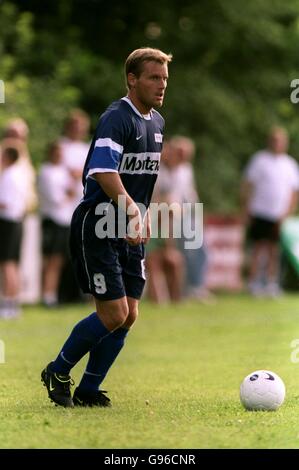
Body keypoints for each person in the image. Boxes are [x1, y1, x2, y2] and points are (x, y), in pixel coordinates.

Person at [41, 47, 172, 408]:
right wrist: (131, 210)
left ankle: (87, 389)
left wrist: (143, 214)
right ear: (132, 79)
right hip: (99, 225)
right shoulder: (117, 117)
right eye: (153, 78)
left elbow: (142, 178)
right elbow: (103, 170)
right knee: (112, 313)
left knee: (129, 315)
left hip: (127, 227)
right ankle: (58, 369)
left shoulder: (157, 123)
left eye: (164, 79)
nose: (161, 85)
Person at [241, 126, 299, 297]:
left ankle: (271, 283)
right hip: (259, 211)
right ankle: (254, 283)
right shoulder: (259, 160)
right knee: (258, 248)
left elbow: (294, 192)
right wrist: (246, 208)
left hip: (278, 214)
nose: (277, 144)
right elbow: (247, 185)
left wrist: (288, 212)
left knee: (274, 250)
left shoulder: (290, 164)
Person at [38, 142, 76, 307]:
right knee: (51, 260)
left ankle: (53, 294)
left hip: (64, 220)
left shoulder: (63, 172)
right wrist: (69, 193)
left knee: (59, 260)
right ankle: (47, 295)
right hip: (52, 220)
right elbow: (56, 199)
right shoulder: (46, 171)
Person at [0, 147, 27, 318]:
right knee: (13, 263)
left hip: (7, 222)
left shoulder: (9, 175)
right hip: (17, 221)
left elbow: (4, 202)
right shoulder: (19, 174)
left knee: (7, 263)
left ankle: (8, 304)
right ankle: (13, 303)